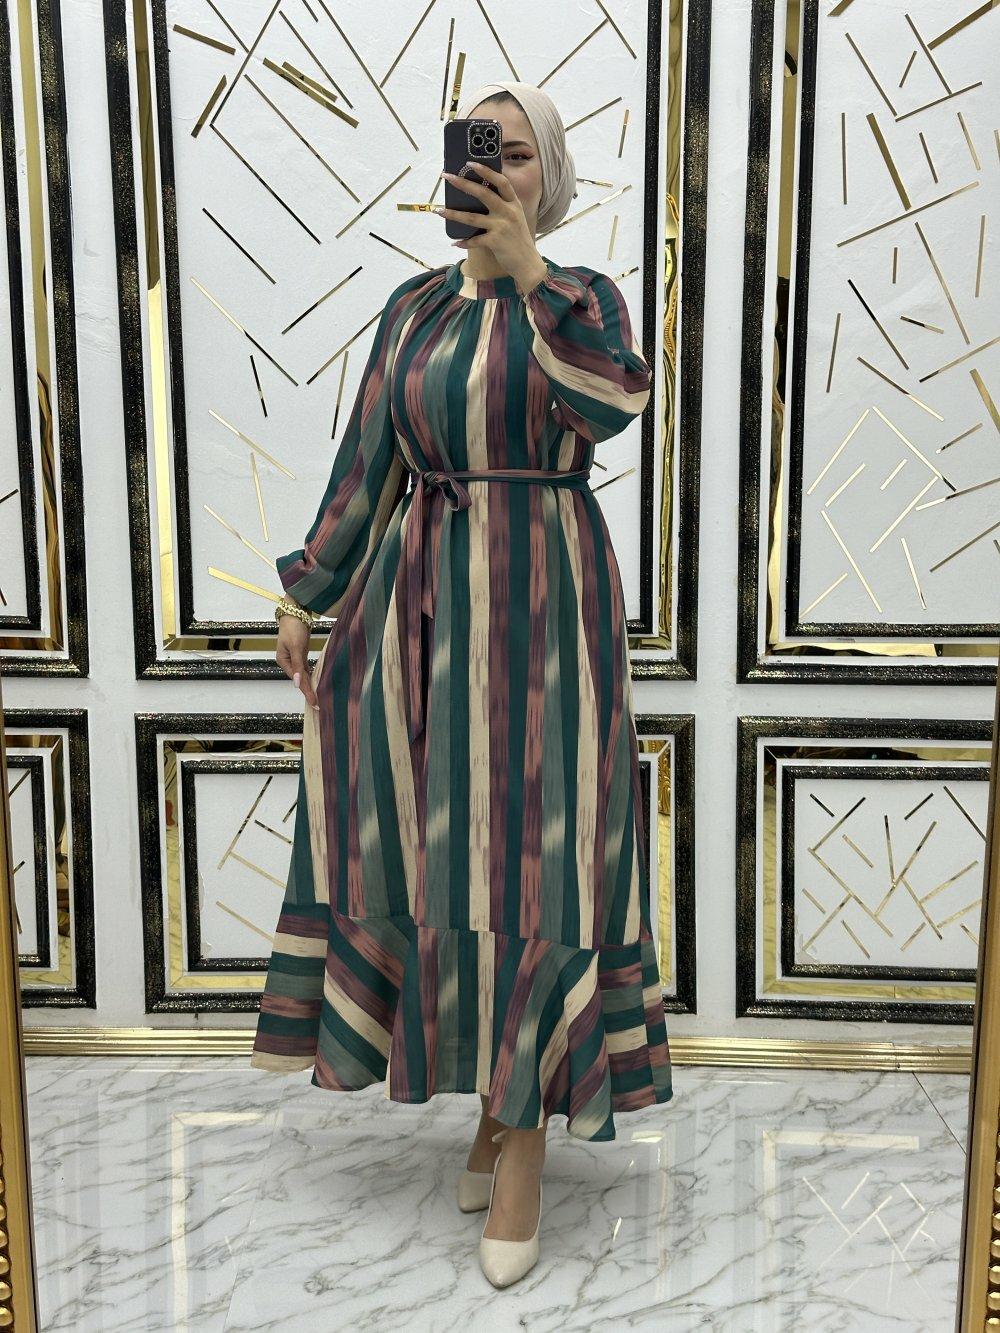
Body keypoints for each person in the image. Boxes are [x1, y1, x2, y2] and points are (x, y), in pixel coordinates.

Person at [250, 79, 673, 1287]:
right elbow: (368, 458)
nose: (495, 171)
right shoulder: (412, 308)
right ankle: (492, 1102)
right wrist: (307, 592)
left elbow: (613, 404)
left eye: (518, 153)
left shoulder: (583, 300)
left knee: (542, 858)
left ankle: (525, 1137)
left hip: (543, 606)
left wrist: (531, 273)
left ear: (551, 177)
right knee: (433, 854)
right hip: (413, 609)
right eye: (479, 150)